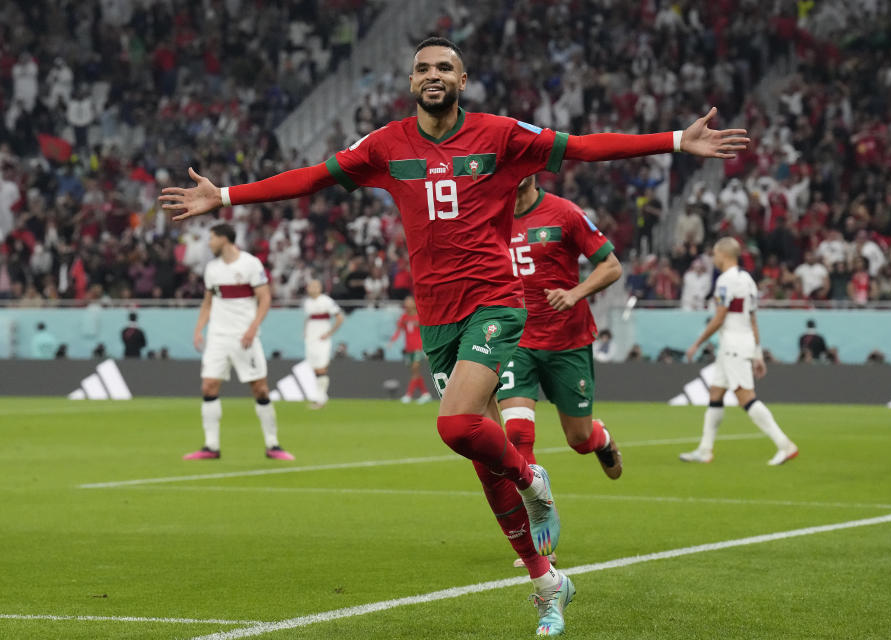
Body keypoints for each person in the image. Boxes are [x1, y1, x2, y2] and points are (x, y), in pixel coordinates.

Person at [159, 37, 748, 635]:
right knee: (478, 458)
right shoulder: (386, 146)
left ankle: (531, 477)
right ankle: (546, 581)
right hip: (436, 317)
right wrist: (226, 196)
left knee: (455, 424)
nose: (432, 75)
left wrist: (676, 140)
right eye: (422, 68)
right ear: (411, 81)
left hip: (495, 302)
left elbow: (587, 147)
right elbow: (311, 178)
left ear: (462, 79)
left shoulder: (501, 136)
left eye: (444, 67)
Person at [498, 177, 625, 534]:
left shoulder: (565, 214)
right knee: (518, 436)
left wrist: (575, 293)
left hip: (567, 340)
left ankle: (599, 437)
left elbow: (611, 266)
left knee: (578, 439)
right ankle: (539, 521)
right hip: (515, 340)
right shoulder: (492, 214)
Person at [681, 238, 798, 466]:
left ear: (723, 255)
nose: (714, 259)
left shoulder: (725, 280)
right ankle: (705, 450)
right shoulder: (748, 280)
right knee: (715, 393)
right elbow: (752, 319)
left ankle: (785, 445)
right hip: (739, 343)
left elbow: (720, 316)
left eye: (715, 254)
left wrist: (697, 343)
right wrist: (758, 353)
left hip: (733, 344)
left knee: (745, 397)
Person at [183, 223, 294, 461]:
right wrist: (198, 329)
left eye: (212, 238)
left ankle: (273, 445)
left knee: (260, 388)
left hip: (244, 336)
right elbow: (208, 302)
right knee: (208, 386)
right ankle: (211, 447)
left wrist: (253, 329)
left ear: (225, 239)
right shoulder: (212, 269)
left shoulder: (250, 264)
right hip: (218, 337)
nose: (209, 243)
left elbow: (264, 299)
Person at [303, 279, 344, 409]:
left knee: (321, 368)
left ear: (320, 288)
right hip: (311, 339)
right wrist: (305, 331)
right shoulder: (307, 302)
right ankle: (322, 398)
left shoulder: (326, 301)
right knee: (315, 368)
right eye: (311, 286)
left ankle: (320, 400)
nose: (313, 288)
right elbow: (308, 318)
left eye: (316, 286)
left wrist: (329, 333)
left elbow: (339, 318)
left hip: (322, 339)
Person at [390, 295, 430, 404]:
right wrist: (392, 341)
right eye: (405, 302)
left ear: (414, 303)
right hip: (409, 349)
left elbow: (426, 333)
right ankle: (425, 393)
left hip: (418, 348)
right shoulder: (404, 317)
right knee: (415, 372)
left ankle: (409, 395)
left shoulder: (420, 317)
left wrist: (427, 349)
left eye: (409, 301)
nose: (406, 304)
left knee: (415, 370)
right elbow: (398, 330)